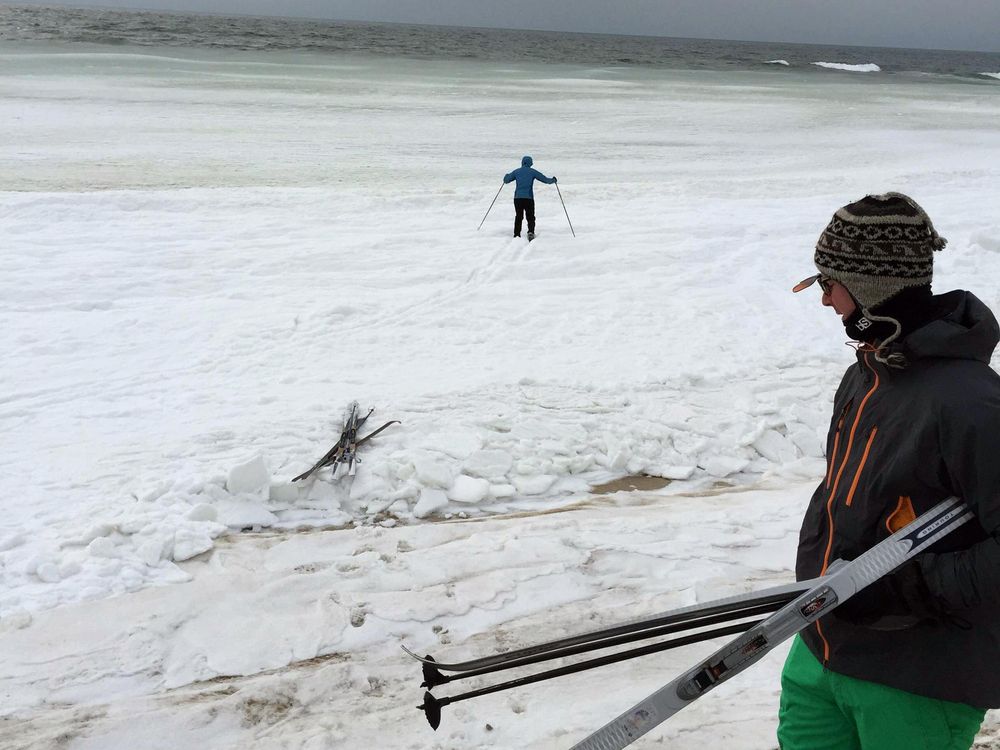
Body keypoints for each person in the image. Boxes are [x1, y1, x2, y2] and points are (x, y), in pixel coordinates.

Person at [780, 192, 1000, 750]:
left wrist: (906, 590)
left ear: (872, 288)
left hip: (917, 679)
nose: (825, 300)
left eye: (830, 283)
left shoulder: (969, 403)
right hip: (821, 647)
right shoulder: (868, 373)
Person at [503, 155, 556, 240]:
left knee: (519, 216)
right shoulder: (532, 172)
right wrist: (553, 180)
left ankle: (517, 234)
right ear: (530, 163)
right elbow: (545, 180)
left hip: (517, 198)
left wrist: (506, 176)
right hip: (528, 198)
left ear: (522, 162)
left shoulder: (516, 171)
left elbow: (506, 181)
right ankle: (530, 232)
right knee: (530, 216)